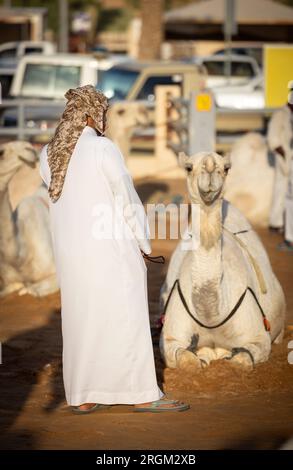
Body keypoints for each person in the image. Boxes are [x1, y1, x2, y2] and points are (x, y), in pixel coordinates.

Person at [39, 85, 189, 413]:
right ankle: (144, 394)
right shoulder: (103, 149)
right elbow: (126, 197)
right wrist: (143, 243)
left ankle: (83, 395)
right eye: (103, 113)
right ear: (92, 115)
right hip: (110, 250)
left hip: (71, 256)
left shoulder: (48, 154)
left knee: (83, 321)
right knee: (127, 317)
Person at [267, 85, 293, 235]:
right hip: (284, 157)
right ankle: (276, 222)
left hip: (290, 156)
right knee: (281, 189)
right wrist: (284, 155)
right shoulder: (280, 115)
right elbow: (273, 138)